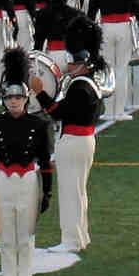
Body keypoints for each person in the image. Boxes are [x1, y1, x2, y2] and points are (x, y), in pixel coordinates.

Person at [0, 47, 56, 276]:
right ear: (4, 99)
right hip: (3, 182)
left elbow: (46, 163)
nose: (14, 102)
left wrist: (46, 193)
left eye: (18, 97)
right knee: (5, 239)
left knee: (26, 239)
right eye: (9, 98)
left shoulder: (39, 125)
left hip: (28, 182)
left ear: (26, 99)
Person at [45, 20, 104, 255]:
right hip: (84, 140)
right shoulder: (90, 84)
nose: (69, 66)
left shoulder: (79, 87)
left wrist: (40, 92)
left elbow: (58, 113)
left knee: (70, 192)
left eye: (73, 63)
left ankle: (70, 239)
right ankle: (80, 236)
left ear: (83, 65)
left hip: (74, 141)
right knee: (78, 191)